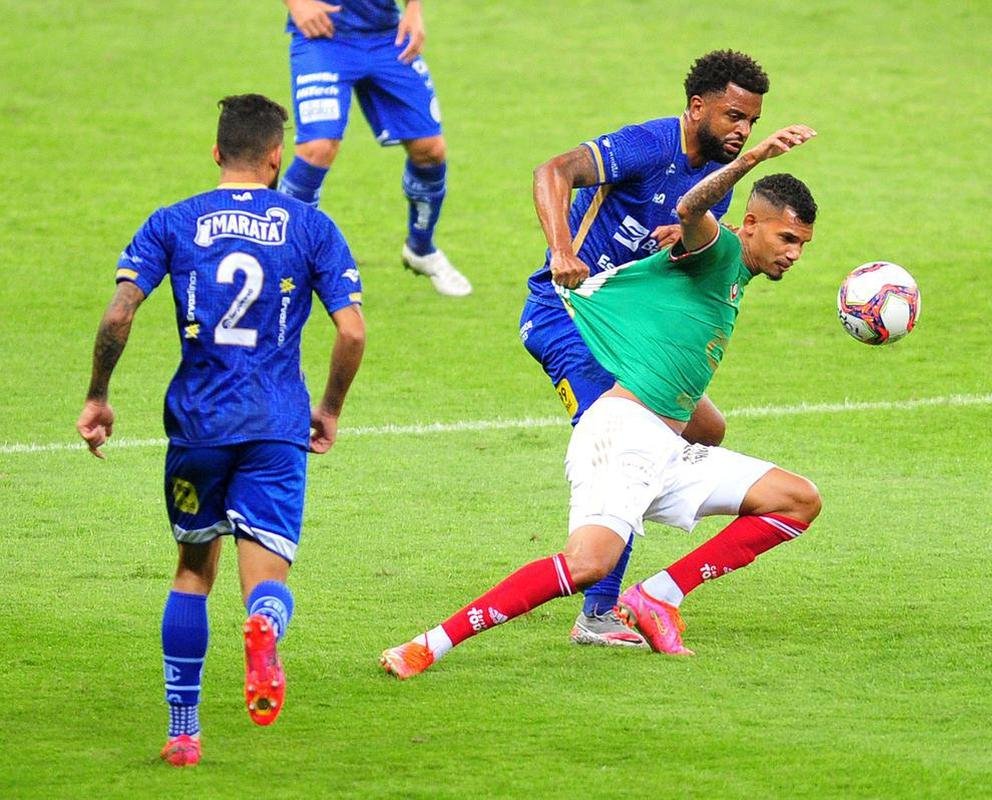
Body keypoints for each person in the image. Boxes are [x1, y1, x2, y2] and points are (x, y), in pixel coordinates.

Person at [381, 122, 819, 679]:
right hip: (622, 436)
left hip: (662, 449)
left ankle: (656, 596)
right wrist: (749, 159)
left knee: (797, 499)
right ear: (751, 225)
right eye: (787, 240)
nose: (795, 254)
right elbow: (690, 208)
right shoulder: (720, 249)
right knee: (588, 563)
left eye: (802, 245)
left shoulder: (734, 265)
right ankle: (430, 644)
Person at [75, 94, 366, 767]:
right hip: (276, 424)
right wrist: (330, 408)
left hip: (197, 424)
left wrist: (98, 394)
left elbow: (119, 314)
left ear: (215, 154)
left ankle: (183, 732)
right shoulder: (310, 225)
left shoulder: (173, 221)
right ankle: (263, 626)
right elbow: (351, 329)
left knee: (191, 570)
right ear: (273, 160)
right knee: (264, 578)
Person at [520, 50, 771, 646]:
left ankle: (627, 520)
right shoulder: (650, 146)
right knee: (636, 448)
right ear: (696, 107)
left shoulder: (714, 182)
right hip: (567, 318)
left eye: (752, 122)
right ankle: (599, 612)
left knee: (707, 430)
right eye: (734, 116)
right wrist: (561, 249)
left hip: (628, 333)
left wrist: (680, 245)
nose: (742, 131)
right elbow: (551, 171)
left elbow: (689, 252)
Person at [279, 0, 471, 296]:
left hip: (387, 37)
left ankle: (421, 249)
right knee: (317, 148)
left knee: (430, 149)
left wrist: (413, 10)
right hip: (323, 37)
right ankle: (279, 257)